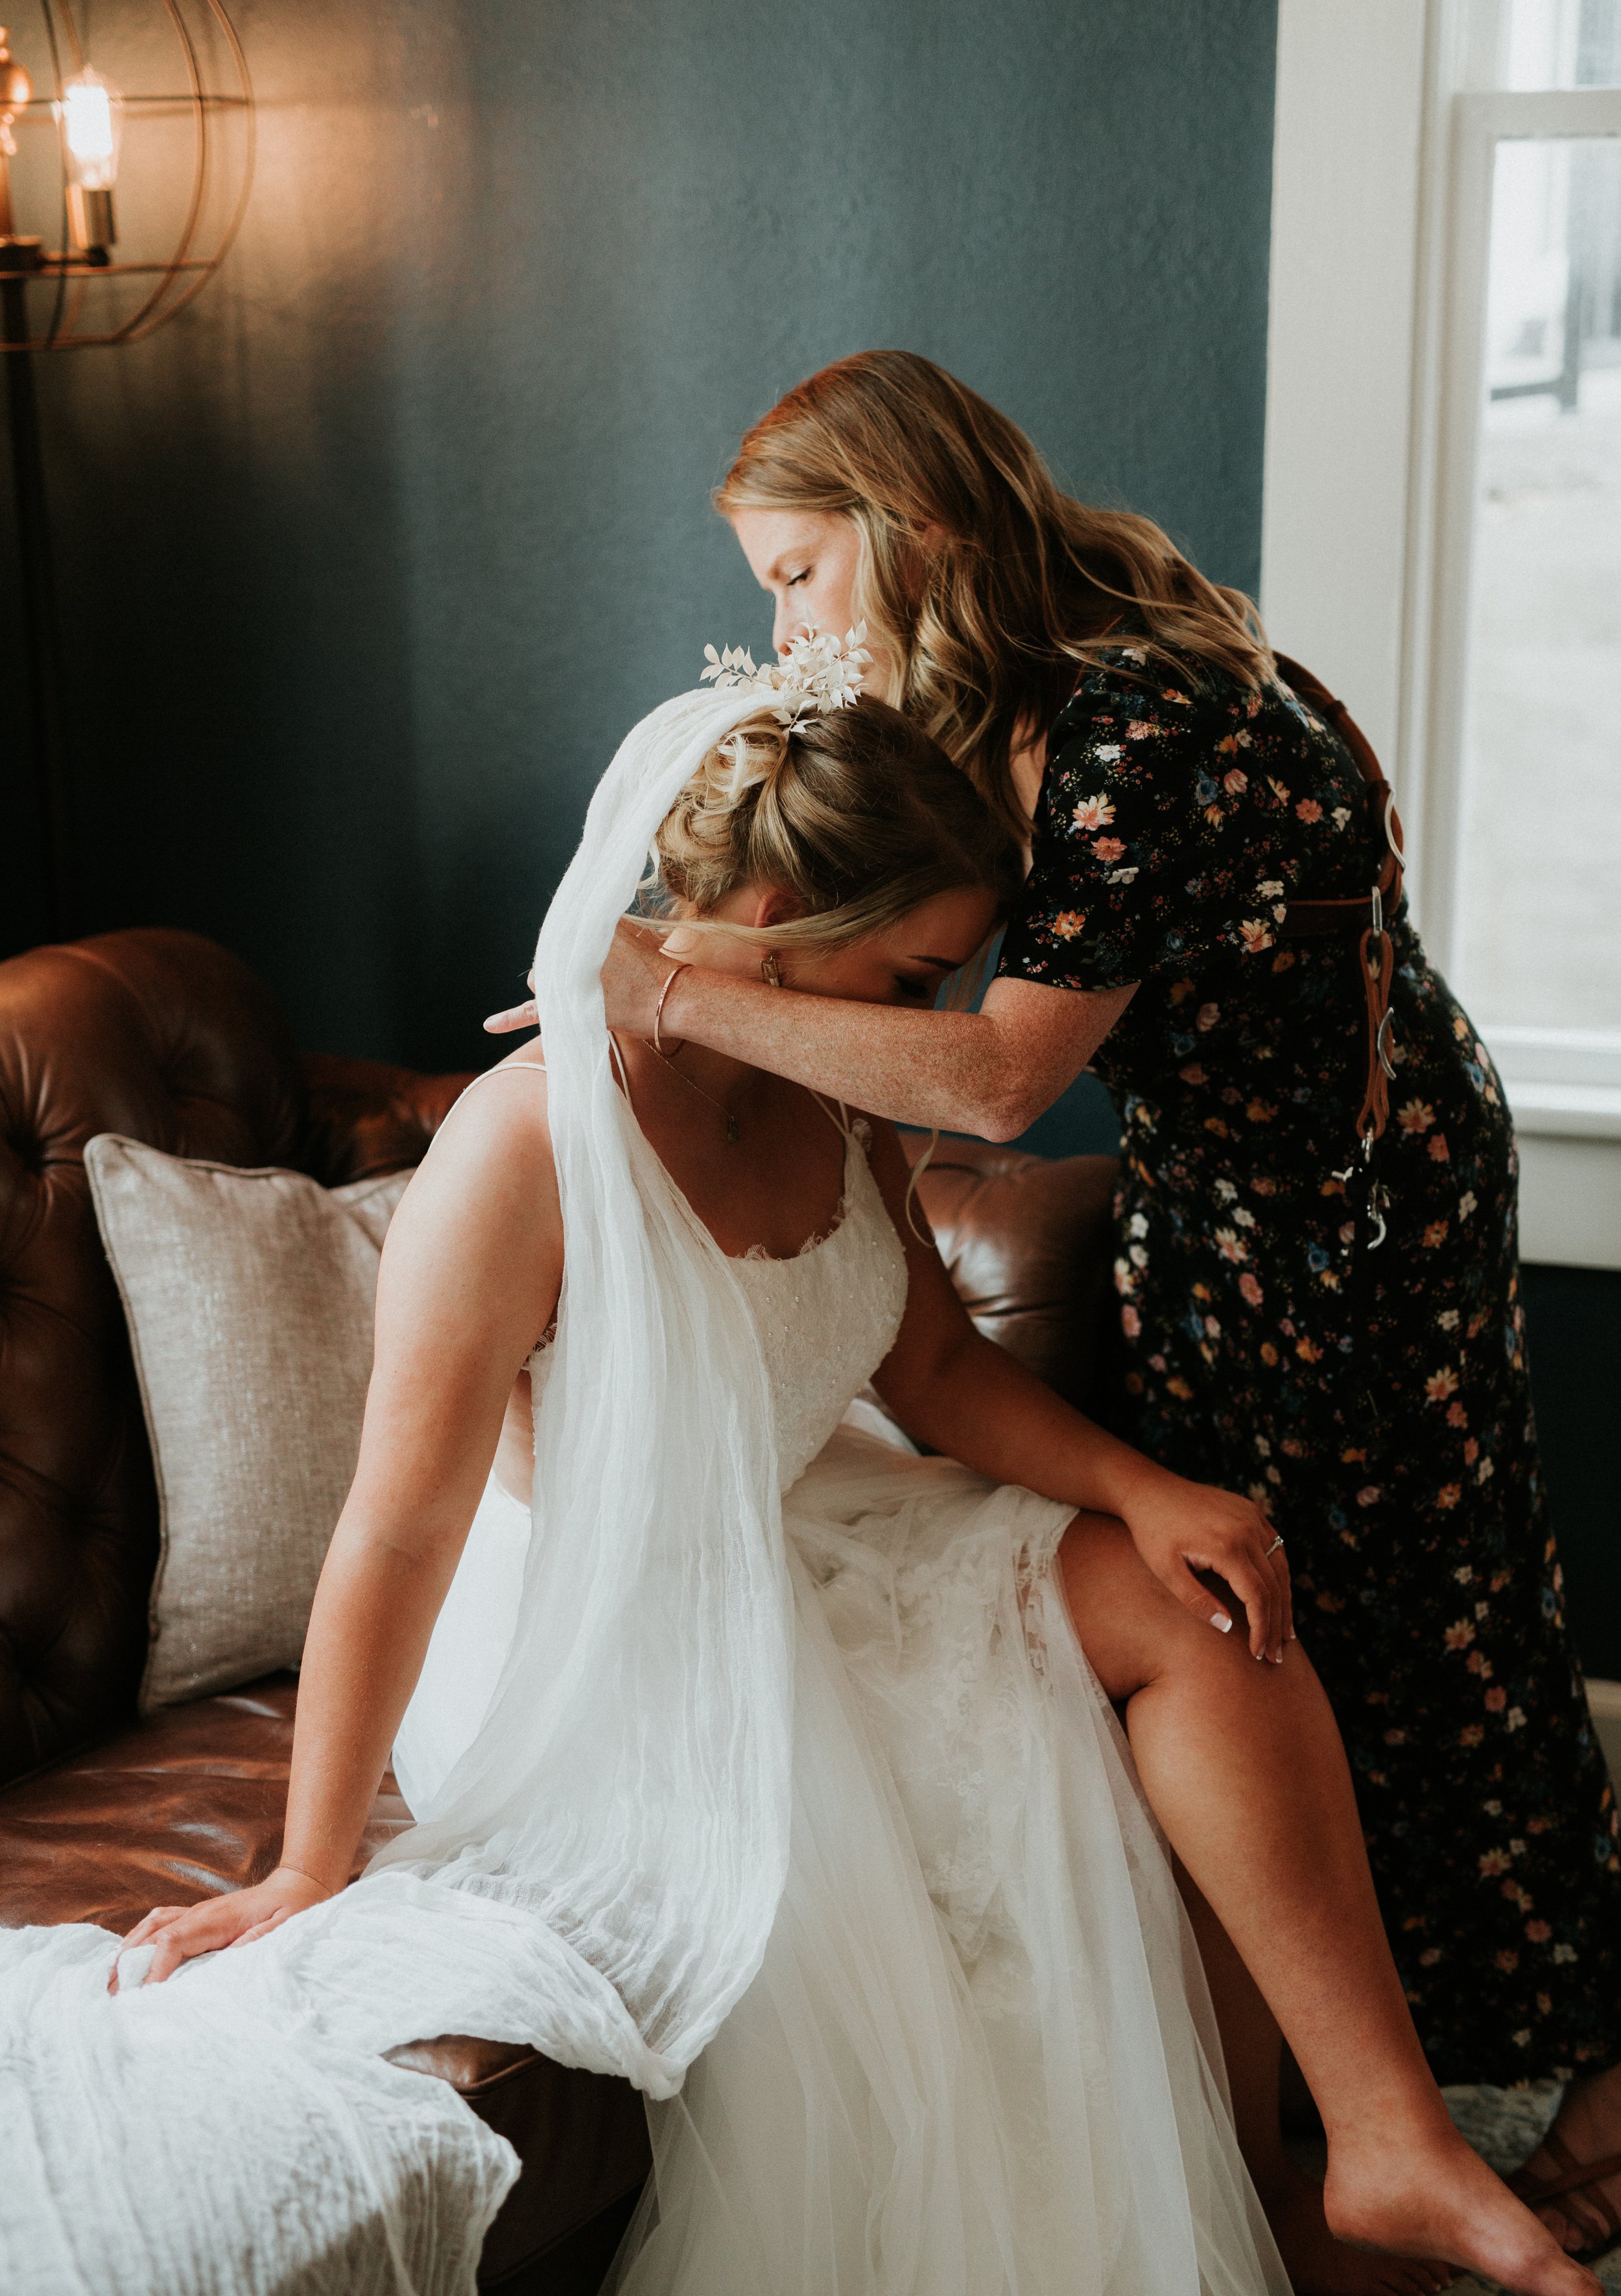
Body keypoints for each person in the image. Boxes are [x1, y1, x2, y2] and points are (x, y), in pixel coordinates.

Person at [4, 664, 1596, 2296]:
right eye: (913, 973)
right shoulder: (526, 1146)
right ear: (775, 917)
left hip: (820, 1513)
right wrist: (304, 1862)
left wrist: (1147, 1491)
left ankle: (1367, 2150)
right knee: (953, 1817)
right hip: (611, 1623)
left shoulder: (832, 1087)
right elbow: (400, 1527)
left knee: (1202, 1616)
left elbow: (935, 1372)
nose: (932, 1019)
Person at [568, 351, 1621, 2271]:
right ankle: (1328, 2113)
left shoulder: (1134, 720)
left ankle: (1537, 2069)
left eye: (798, 574)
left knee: (1420, 1623)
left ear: (915, 528)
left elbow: (991, 1082)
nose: (783, 627)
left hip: (1344, 1205)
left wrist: (670, 989)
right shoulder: (1050, 678)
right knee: (1277, 1599)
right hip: (1223, 1188)